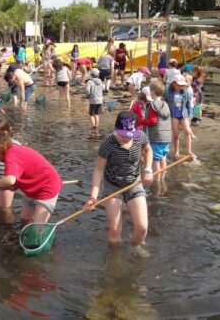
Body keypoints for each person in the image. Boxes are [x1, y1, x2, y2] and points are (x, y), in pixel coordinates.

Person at [84, 111, 153, 255]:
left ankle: (135, 246)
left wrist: (148, 169)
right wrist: (93, 197)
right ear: (116, 129)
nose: (127, 138)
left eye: (130, 135)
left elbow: (148, 150)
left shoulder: (140, 136)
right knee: (115, 230)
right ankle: (115, 259)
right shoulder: (108, 143)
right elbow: (98, 170)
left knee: (142, 227)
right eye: (123, 135)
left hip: (134, 182)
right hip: (112, 185)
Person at [0, 130, 62, 226]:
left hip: (47, 187)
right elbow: (18, 178)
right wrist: (11, 186)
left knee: (37, 229)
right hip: (31, 189)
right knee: (24, 222)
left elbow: (10, 180)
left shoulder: (11, 156)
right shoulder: (8, 153)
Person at [145, 80, 171, 183]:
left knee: (155, 159)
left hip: (156, 136)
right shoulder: (165, 104)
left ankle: (156, 181)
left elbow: (152, 121)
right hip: (166, 136)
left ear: (152, 92)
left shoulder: (152, 105)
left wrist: (141, 120)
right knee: (163, 157)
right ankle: (162, 179)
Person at [166, 74, 196, 161]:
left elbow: (189, 105)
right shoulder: (168, 93)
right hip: (173, 115)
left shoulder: (186, 92)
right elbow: (164, 102)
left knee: (187, 132)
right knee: (175, 134)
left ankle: (189, 151)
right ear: (174, 83)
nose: (182, 86)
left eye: (183, 85)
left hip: (184, 114)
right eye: (180, 85)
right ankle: (176, 151)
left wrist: (190, 116)